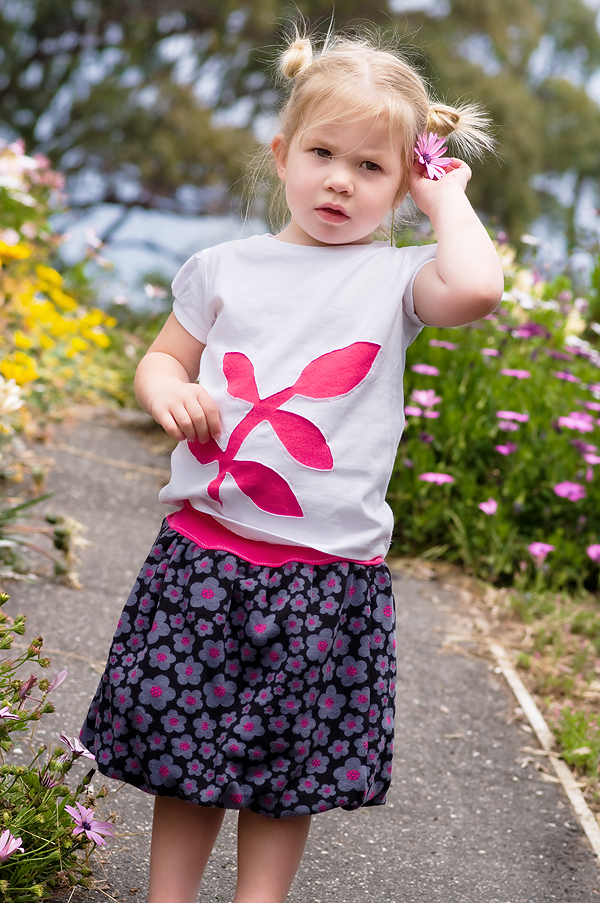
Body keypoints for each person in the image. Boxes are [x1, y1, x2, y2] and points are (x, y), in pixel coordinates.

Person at [80, 26, 504, 903]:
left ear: (406, 182)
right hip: (207, 554)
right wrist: (168, 391)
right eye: (322, 154)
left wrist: (447, 200)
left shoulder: (396, 280)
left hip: (325, 572)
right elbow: (162, 359)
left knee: (287, 771)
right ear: (282, 155)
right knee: (185, 752)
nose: (341, 180)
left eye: (372, 167)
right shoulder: (223, 268)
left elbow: (477, 289)